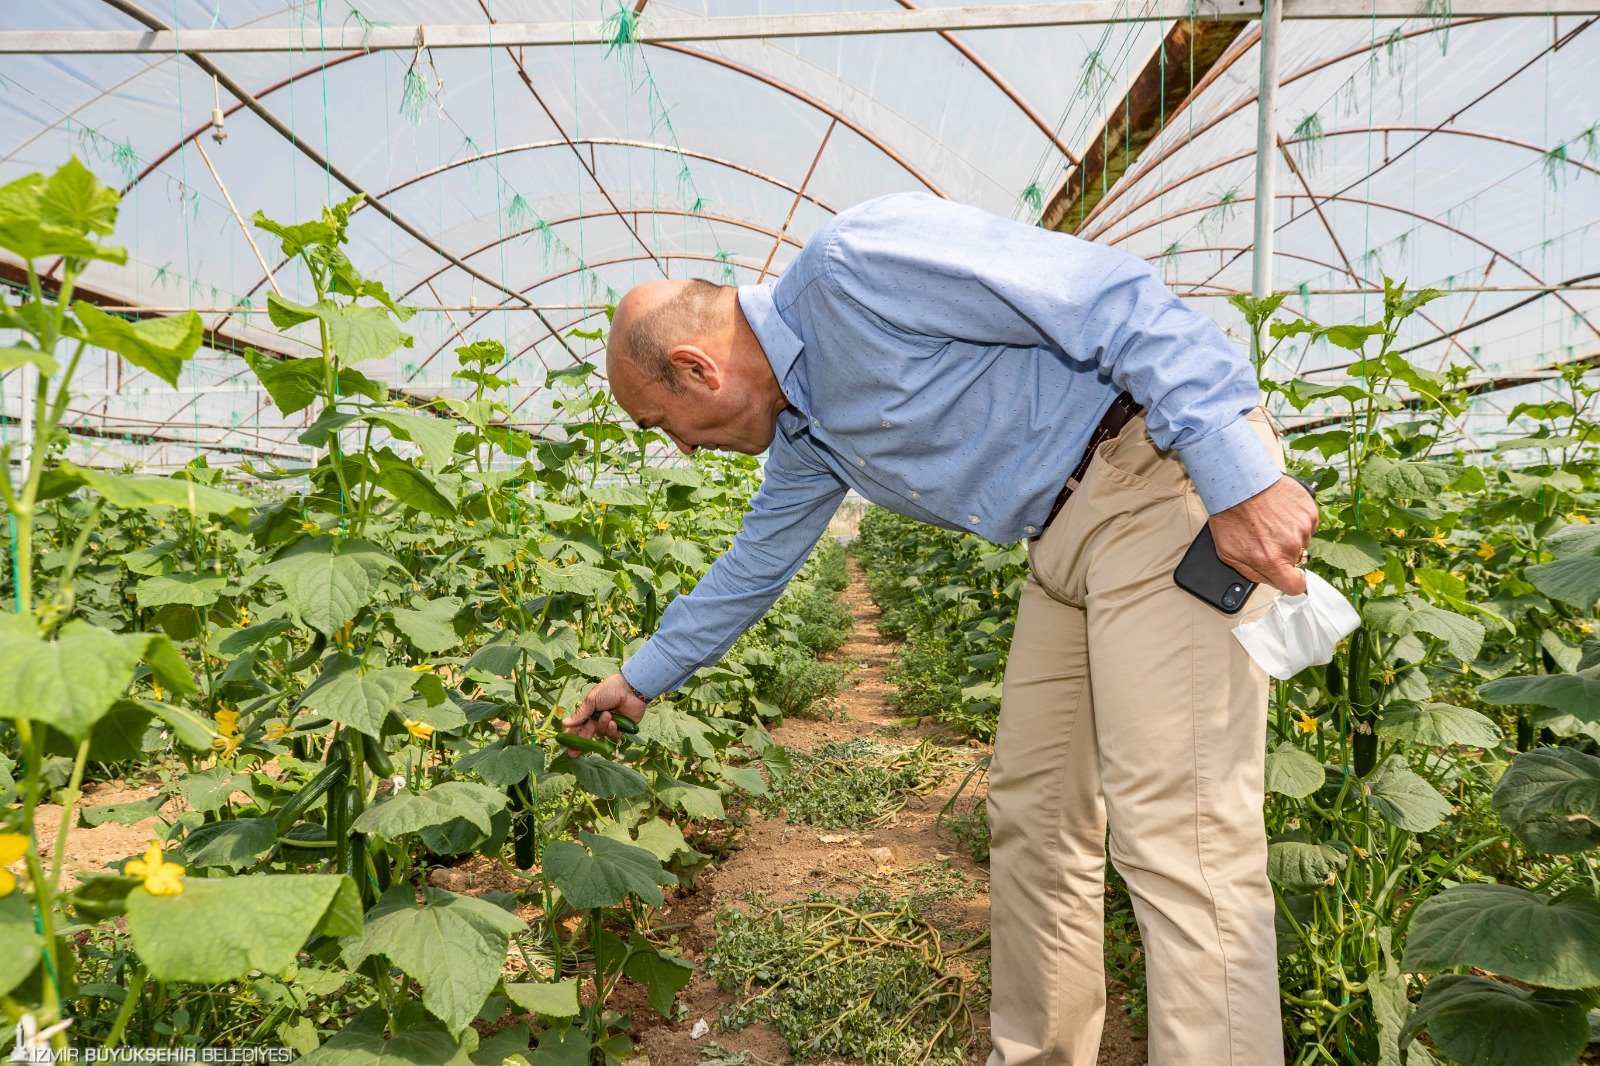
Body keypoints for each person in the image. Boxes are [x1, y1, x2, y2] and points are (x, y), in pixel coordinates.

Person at [561, 192, 1318, 1065]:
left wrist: (1238, 473)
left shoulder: (856, 267)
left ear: (698, 370)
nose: (685, 450)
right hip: (1064, 540)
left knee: (1180, 839)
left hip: (1158, 478)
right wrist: (640, 677)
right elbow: (753, 566)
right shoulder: (807, 433)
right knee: (1034, 819)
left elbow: (1110, 297)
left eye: (664, 427)